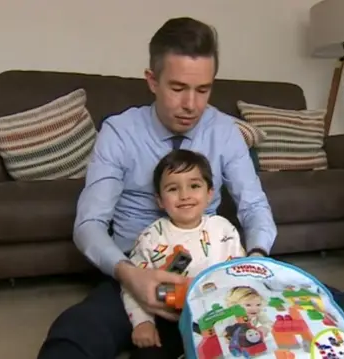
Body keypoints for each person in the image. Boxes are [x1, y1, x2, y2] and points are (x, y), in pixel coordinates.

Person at [37, 17, 275, 359]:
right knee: (73, 335)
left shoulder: (225, 131)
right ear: (152, 81)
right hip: (135, 276)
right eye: (178, 88)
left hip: (213, 279)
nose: (192, 105)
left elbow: (254, 207)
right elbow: (89, 225)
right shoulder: (118, 132)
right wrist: (131, 276)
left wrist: (253, 263)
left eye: (203, 90)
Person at [123, 149, 248, 359]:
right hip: (170, 319)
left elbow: (241, 273)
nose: (185, 195)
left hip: (221, 316)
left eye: (194, 186)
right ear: (160, 200)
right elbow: (132, 285)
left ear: (209, 194)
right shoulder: (151, 237)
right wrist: (143, 322)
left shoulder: (224, 229)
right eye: (173, 188)